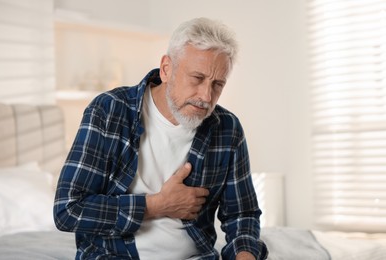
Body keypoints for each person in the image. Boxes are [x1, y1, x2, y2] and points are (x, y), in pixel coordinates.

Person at [53, 17, 268, 260]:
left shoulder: (227, 129)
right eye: (197, 79)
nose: (206, 97)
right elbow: (68, 211)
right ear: (166, 69)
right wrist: (156, 205)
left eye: (217, 84)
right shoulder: (109, 111)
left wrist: (245, 255)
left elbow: (242, 214)